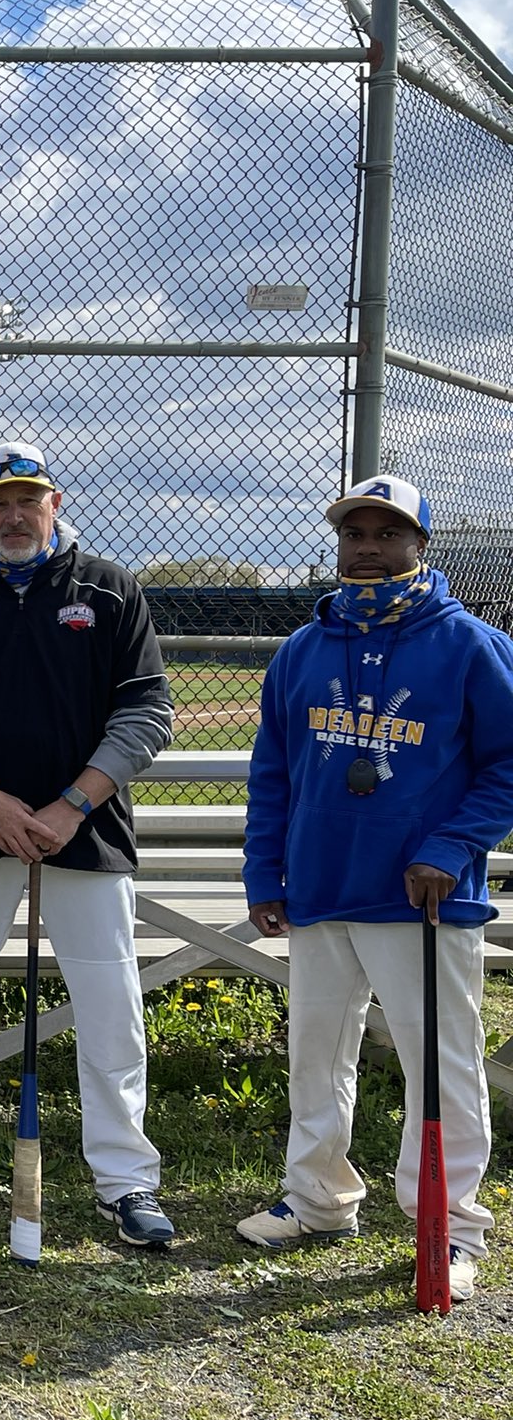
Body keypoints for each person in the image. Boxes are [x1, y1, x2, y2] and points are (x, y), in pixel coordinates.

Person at [238, 475, 513, 1304]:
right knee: (316, 1055)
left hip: (422, 895)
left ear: (419, 545)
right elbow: (273, 772)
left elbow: (506, 767)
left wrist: (449, 845)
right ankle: (319, 1197)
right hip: (322, 886)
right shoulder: (303, 649)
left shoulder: (469, 643)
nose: (367, 546)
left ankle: (452, 1225)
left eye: (386, 534)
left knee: (442, 1064)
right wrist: (264, 871)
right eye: (354, 533)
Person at [0, 441, 177, 1248]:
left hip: (85, 831)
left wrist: (68, 806)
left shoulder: (110, 590)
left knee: (111, 1009)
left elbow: (146, 715)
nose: (14, 515)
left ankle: (125, 1180)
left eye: (30, 499)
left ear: (56, 503)